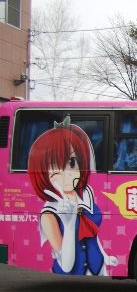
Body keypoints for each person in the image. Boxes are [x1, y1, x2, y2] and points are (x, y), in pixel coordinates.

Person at [27, 116, 112, 275]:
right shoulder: (49, 214)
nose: (66, 174)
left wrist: (105, 257)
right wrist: (69, 224)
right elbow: (66, 266)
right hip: (75, 269)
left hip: (98, 269)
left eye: (72, 163)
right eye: (55, 168)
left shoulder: (86, 193)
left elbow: (94, 235)